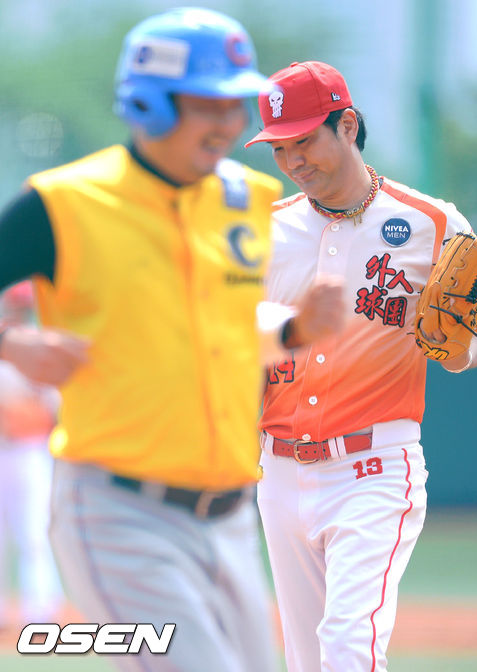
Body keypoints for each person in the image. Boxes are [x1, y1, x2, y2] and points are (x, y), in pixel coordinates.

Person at [0, 11, 345, 671]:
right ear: (147, 104)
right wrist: (10, 343)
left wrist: (293, 329)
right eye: (206, 104)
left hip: (230, 517)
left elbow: (215, 325)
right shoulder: (64, 202)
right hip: (119, 512)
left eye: (235, 104)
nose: (228, 123)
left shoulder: (245, 198)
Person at [245, 60, 477, 672]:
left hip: (374, 467)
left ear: (348, 125)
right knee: (307, 660)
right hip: (278, 471)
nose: (292, 160)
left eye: (304, 140)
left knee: (348, 645)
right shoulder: (264, 231)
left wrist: (461, 346)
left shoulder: (433, 223)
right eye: (279, 148)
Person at [0, 282, 64, 629]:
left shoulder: (41, 348)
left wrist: (15, 417)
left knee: (33, 533)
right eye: (13, 303)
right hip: (5, 450)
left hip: (28, 453)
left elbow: (48, 414)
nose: (17, 310)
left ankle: (39, 611)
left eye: (22, 305)